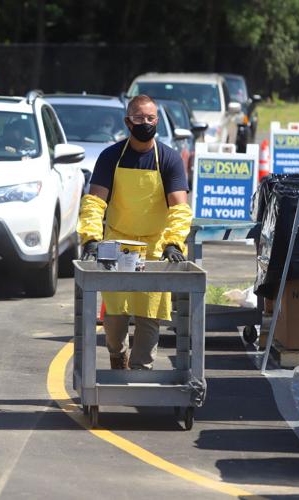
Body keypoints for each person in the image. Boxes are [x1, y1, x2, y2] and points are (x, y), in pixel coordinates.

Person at [77, 95, 192, 370]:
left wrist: (174, 243)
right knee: (115, 316)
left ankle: (142, 372)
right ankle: (118, 358)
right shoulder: (110, 157)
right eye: (139, 118)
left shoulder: (169, 159)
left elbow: (179, 208)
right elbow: (94, 202)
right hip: (117, 244)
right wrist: (91, 238)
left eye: (150, 118)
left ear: (158, 121)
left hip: (154, 246)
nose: (145, 123)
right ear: (128, 122)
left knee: (149, 315)